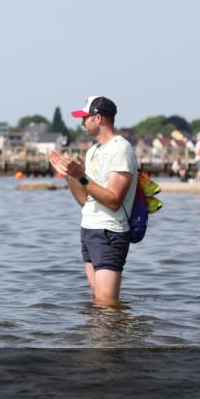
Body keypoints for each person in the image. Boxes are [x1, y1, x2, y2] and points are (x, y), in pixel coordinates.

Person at [49, 96, 137, 307]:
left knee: (107, 304)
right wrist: (70, 176)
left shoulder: (121, 149)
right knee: (98, 302)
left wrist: (81, 177)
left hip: (110, 232)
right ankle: (99, 340)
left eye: (85, 118)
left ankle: (112, 340)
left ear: (98, 118)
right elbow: (85, 200)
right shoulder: (93, 151)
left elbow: (114, 200)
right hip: (89, 229)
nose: (81, 123)